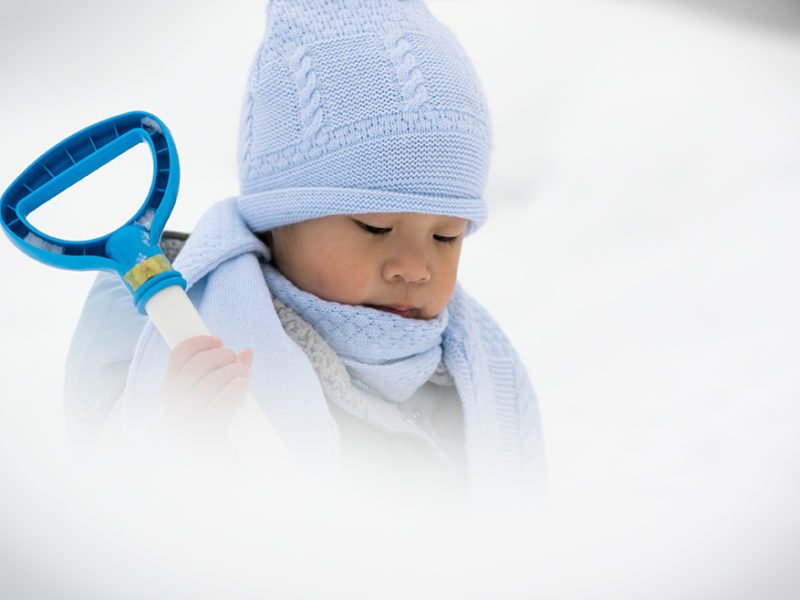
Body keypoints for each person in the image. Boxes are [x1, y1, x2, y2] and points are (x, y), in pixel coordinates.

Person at [65, 0, 545, 500]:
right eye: (375, 227)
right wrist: (183, 443)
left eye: (446, 236)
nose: (415, 267)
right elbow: (114, 515)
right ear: (282, 220)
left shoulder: (475, 370)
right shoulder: (190, 328)